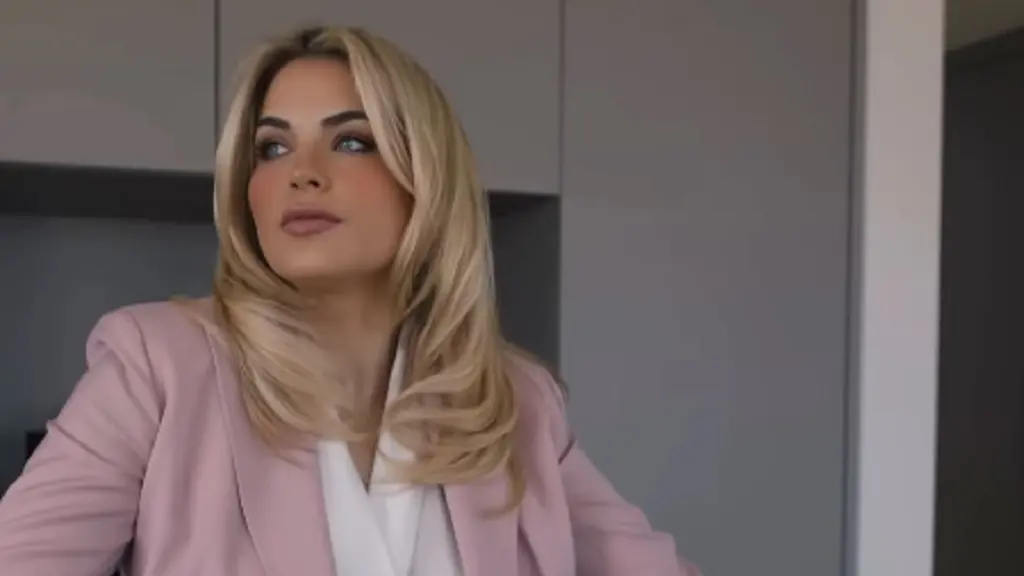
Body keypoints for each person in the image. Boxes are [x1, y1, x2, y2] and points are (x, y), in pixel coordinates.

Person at [0, 25, 700, 576]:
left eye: (352, 141)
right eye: (272, 149)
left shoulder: (514, 404)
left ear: (424, 178)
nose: (302, 174)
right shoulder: (157, 367)